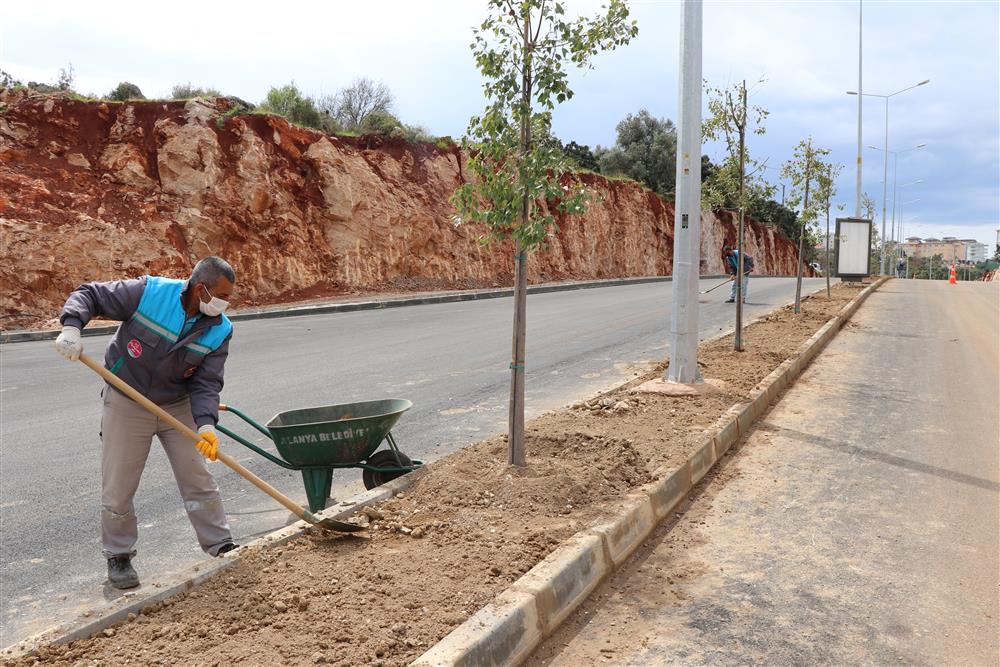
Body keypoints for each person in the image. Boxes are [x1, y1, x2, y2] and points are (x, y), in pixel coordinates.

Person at [54, 257, 239, 589]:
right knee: (119, 483)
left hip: (176, 404)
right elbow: (90, 294)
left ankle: (220, 544)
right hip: (127, 401)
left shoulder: (220, 328)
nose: (226, 303)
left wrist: (206, 424)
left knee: (196, 475)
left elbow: (207, 382)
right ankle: (119, 555)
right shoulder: (149, 293)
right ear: (201, 288)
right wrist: (71, 326)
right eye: (222, 294)